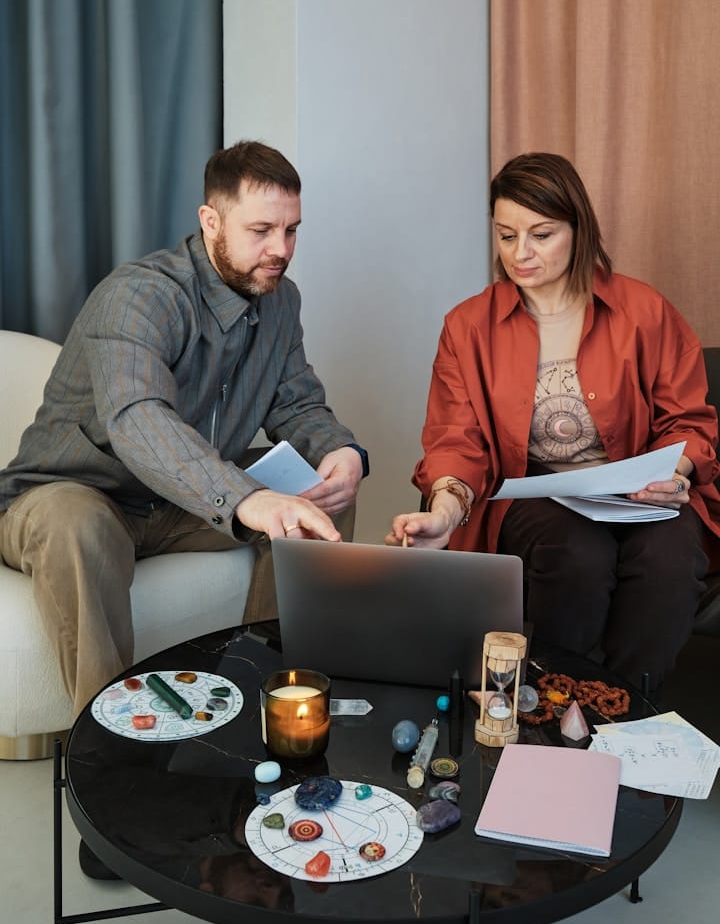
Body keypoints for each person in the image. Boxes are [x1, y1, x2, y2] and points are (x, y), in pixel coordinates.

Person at [0, 140, 369, 716]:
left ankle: (266, 696)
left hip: (181, 504)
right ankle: (113, 742)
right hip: (76, 495)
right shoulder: (139, 295)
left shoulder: (279, 300)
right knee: (75, 523)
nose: (281, 250)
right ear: (210, 221)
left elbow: (297, 406)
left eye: (292, 230)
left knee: (317, 501)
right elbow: (137, 419)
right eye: (262, 230)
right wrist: (245, 498)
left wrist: (341, 451)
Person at [387, 152, 720, 691]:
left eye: (541, 235)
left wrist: (674, 473)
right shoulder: (468, 326)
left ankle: (622, 705)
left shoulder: (645, 311)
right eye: (506, 235)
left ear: (577, 228)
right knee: (576, 553)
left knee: (673, 558)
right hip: (535, 501)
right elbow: (457, 440)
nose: (521, 254)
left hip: (639, 493)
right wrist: (446, 510)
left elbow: (688, 419)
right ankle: (554, 699)